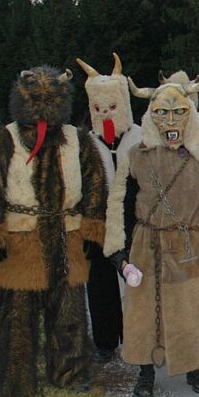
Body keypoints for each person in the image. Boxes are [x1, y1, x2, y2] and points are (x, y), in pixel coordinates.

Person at [0, 66, 107, 397]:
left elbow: (95, 185)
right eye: (36, 97)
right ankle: (17, 386)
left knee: (69, 314)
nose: (43, 104)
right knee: (17, 319)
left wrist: (92, 228)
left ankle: (71, 373)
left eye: (49, 98)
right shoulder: (4, 140)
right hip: (20, 241)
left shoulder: (78, 140)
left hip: (68, 238)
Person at [104, 72, 199, 397]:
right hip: (146, 244)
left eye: (178, 112)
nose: (170, 120)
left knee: (191, 309)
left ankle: (194, 366)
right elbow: (119, 199)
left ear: (189, 112)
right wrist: (116, 246)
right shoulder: (136, 156)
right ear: (151, 115)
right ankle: (146, 370)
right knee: (143, 312)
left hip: (190, 245)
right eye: (161, 113)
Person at [75, 52, 144, 364]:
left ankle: (139, 335)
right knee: (100, 283)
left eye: (112, 107)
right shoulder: (86, 144)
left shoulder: (141, 138)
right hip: (98, 223)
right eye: (98, 109)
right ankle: (105, 340)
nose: (105, 114)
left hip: (135, 221)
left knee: (137, 279)